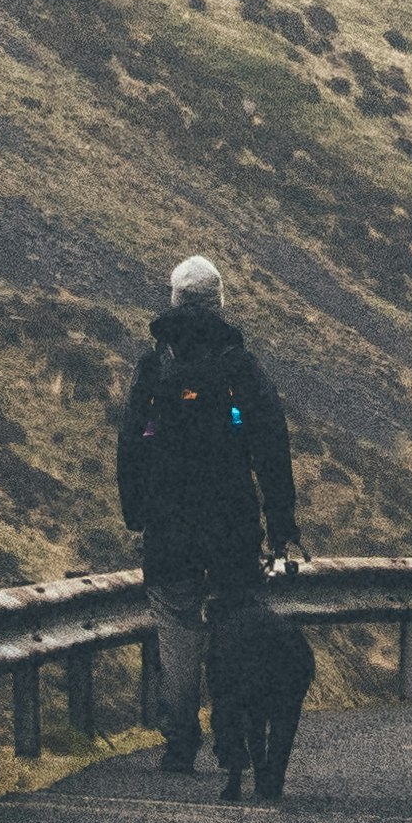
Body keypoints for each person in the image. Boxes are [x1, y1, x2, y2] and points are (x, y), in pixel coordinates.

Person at [112, 253, 296, 780]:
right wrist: (282, 522)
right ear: (219, 304)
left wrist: (137, 512)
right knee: (237, 623)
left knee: (176, 626)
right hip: (233, 523)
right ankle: (233, 736)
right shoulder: (239, 365)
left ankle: (179, 743)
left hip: (169, 526)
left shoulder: (155, 364)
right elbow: (271, 442)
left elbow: (130, 442)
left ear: (173, 301)